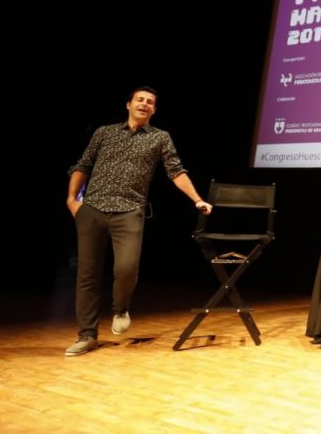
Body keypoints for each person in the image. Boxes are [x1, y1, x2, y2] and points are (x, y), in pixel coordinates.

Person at [64, 86, 212, 356]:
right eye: (140, 100)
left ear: (154, 110)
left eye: (150, 102)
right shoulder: (104, 132)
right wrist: (72, 200)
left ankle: (120, 308)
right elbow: (82, 165)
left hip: (130, 211)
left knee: (127, 269)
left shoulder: (159, 138)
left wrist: (197, 199)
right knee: (87, 275)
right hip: (93, 209)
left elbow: (175, 171)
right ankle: (87, 335)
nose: (144, 104)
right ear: (128, 104)